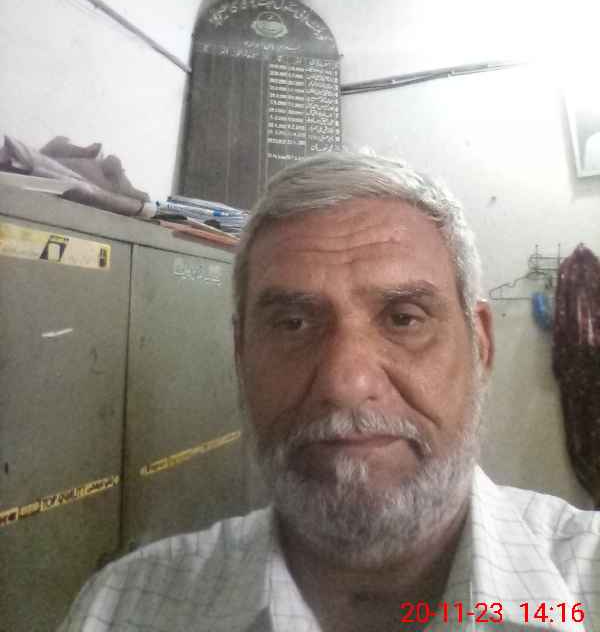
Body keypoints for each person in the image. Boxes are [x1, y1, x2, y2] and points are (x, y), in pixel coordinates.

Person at [60, 153, 600, 631]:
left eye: (404, 318)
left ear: (480, 345)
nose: (346, 384)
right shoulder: (120, 610)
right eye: (293, 324)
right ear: (241, 356)